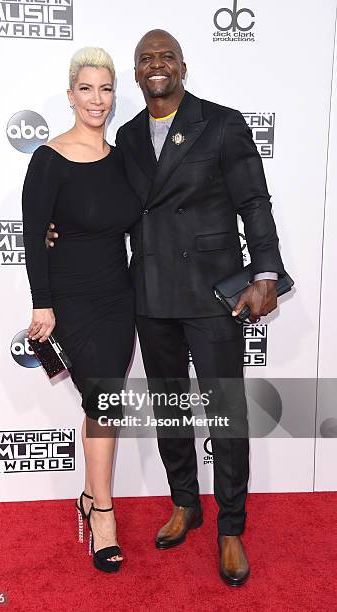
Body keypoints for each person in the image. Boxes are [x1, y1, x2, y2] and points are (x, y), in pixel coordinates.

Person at [47, 30, 285, 586]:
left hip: (214, 295)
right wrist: (60, 228)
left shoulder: (222, 123)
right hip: (150, 294)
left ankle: (230, 526)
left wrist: (266, 272)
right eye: (145, 60)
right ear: (136, 74)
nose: (156, 66)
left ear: (182, 65)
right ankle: (185, 503)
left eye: (165, 57)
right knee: (171, 407)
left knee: (224, 414)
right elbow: (99, 198)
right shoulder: (124, 136)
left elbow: (254, 200)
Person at [22, 47, 142, 573]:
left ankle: (91, 498)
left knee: (107, 403)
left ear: (114, 96)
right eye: (87, 89)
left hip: (120, 298)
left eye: (106, 89)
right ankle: (104, 517)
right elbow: (32, 235)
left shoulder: (123, 159)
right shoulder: (48, 158)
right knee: (103, 399)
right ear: (71, 95)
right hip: (71, 300)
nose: (97, 99)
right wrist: (42, 304)